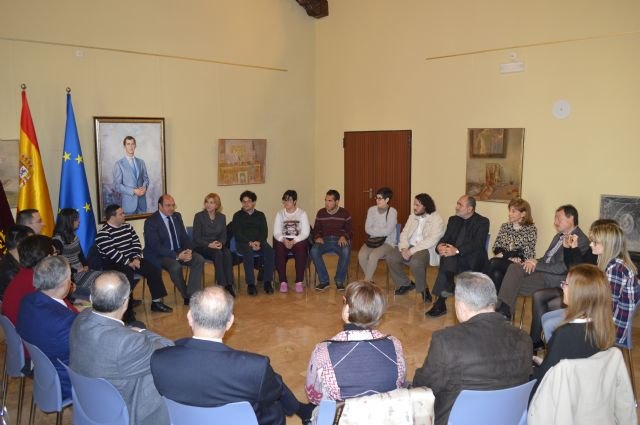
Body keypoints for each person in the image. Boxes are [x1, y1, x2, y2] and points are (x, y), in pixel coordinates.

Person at [150, 287, 312, 425]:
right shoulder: (254, 367)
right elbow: (273, 394)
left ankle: (300, 409)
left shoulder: (159, 359)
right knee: (274, 407)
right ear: (230, 322)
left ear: (189, 317)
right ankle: (300, 409)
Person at [413, 272, 532, 425]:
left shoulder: (447, 341)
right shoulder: (524, 339)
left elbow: (425, 387)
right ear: (493, 302)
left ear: (461, 306)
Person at [70, 271, 173, 425]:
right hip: (123, 411)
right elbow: (168, 350)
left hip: (90, 403)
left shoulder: (80, 318)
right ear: (125, 302)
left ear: (91, 298)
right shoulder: (127, 342)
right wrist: (141, 332)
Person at [305, 281, 406, 404]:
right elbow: (400, 384)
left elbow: (314, 397)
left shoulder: (323, 351)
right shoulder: (395, 345)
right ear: (379, 314)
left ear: (347, 309)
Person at [541, 221, 640, 346]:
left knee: (550, 324)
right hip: (599, 317)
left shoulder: (616, 270)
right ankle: (560, 357)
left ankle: (562, 359)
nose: (591, 244)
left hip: (608, 328)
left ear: (607, 245)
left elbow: (607, 308)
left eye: (595, 242)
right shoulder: (609, 263)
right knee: (546, 318)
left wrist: (579, 313)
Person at [496, 205, 589, 327]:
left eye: (558, 218)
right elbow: (547, 259)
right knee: (514, 268)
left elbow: (562, 267)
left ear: (570, 218)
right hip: (542, 273)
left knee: (510, 282)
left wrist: (537, 264)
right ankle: (504, 312)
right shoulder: (559, 236)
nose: (555, 222)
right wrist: (531, 261)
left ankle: (502, 312)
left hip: (556, 279)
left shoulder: (580, 239)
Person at [532, 264, 615, 394]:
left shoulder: (564, 334)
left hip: (562, 397)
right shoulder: (605, 329)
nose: (562, 287)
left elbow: (544, 380)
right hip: (588, 394)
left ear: (579, 293)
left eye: (566, 284)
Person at [17, 256, 78, 400]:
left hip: (42, 375)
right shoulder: (66, 322)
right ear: (65, 283)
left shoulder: (27, 301)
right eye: (70, 277)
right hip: (67, 384)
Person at [96, 204, 172, 315]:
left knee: (153, 269)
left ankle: (156, 303)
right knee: (126, 276)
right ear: (112, 217)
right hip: (114, 263)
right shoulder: (103, 234)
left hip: (132, 258)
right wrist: (128, 262)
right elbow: (112, 253)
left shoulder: (128, 227)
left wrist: (136, 257)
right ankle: (126, 311)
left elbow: (136, 243)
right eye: (121, 214)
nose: (124, 215)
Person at [426, 195, 490, 318]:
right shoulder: (453, 220)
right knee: (447, 258)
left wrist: (457, 250)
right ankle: (447, 289)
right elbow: (445, 238)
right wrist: (439, 247)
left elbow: (478, 244)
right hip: (454, 258)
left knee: (448, 261)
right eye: (457, 204)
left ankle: (441, 302)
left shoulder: (482, 222)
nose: (456, 207)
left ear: (470, 208)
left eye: (460, 205)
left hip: (472, 258)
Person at [144, 194, 204, 305]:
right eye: (168, 205)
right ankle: (187, 296)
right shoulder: (151, 222)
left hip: (179, 250)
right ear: (160, 206)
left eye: (173, 205)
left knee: (198, 259)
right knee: (175, 266)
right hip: (161, 255)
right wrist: (176, 256)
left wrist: (189, 250)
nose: (171, 208)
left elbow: (184, 237)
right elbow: (155, 246)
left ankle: (192, 293)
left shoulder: (177, 216)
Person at [387, 193, 445, 302]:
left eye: (417, 205)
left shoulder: (436, 219)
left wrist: (411, 251)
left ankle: (423, 290)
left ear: (425, 206)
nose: (414, 207)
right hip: (409, 246)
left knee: (416, 262)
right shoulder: (412, 216)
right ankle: (405, 284)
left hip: (425, 248)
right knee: (390, 256)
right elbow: (404, 233)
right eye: (414, 204)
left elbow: (431, 240)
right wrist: (404, 248)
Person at [486, 198, 537, 292]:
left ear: (523, 214)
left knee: (493, 262)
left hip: (520, 265)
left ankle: (481, 292)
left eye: (513, 211)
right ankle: (496, 304)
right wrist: (510, 255)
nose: (509, 214)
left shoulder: (530, 229)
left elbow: (527, 253)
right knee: (497, 274)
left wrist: (506, 255)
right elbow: (496, 246)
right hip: (504, 262)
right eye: (509, 210)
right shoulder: (505, 226)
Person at [2, 235, 54, 324]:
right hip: (29, 330)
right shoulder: (40, 281)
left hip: (18, 330)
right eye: (55, 254)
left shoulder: (23, 274)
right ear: (47, 258)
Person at [231, 190, 275, 296]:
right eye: (244, 202)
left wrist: (258, 242)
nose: (246, 204)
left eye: (249, 201)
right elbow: (237, 233)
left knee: (270, 251)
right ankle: (251, 284)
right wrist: (249, 243)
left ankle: (267, 281)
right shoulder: (237, 216)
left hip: (259, 242)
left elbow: (264, 231)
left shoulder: (260, 215)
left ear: (254, 202)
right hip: (243, 243)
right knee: (248, 252)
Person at [192, 193, 235, 296]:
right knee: (218, 254)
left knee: (228, 253)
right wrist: (209, 244)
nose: (208, 205)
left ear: (217, 205)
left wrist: (220, 243)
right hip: (202, 246)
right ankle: (222, 286)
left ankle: (229, 284)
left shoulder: (222, 217)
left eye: (211, 202)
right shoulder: (199, 216)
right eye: (207, 202)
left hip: (217, 245)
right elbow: (196, 237)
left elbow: (224, 235)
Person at [52, 208, 101, 299]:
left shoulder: (73, 235)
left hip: (81, 270)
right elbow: (58, 263)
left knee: (104, 278)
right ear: (69, 222)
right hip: (72, 275)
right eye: (76, 219)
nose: (79, 221)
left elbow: (80, 254)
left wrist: (86, 265)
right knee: (99, 283)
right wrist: (75, 270)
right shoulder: (57, 240)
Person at [310, 189, 353, 291]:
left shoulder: (345, 213)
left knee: (346, 251)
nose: (326, 203)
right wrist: (317, 237)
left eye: (330, 201)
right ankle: (324, 281)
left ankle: (339, 280)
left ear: (337, 201)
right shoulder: (321, 213)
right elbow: (316, 229)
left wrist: (344, 236)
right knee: (314, 251)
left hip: (340, 240)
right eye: (326, 200)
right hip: (324, 240)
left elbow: (350, 230)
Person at [273, 190, 310, 293]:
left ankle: (299, 281)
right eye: (284, 200)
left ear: (295, 201)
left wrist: (294, 241)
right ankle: (283, 281)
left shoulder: (302, 213)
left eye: (288, 200)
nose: (286, 203)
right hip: (284, 239)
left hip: (297, 240)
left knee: (302, 248)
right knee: (279, 248)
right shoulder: (280, 214)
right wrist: (283, 240)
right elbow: (276, 232)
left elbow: (306, 232)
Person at [358, 187, 398, 282]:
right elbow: (367, 229)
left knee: (373, 256)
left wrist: (375, 229)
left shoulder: (392, 212)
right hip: (373, 240)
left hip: (388, 242)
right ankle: (369, 279)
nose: (377, 200)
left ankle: (366, 282)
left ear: (387, 200)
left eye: (380, 198)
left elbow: (388, 232)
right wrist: (381, 230)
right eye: (376, 198)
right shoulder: (371, 210)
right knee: (361, 255)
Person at [112, 136, 150, 215]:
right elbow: (117, 185)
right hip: (128, 206)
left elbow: (146, 179)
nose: (130, 146)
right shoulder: (119, 164)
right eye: (128, 144)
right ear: (124, 146)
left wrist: (144, 187)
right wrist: (133, 191)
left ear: (135, 145)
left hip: (142, 204)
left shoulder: (141, 162)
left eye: (132, 144)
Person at [0, 224, 34, 299]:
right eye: (31, 242)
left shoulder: (15, 259)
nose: (34, 245)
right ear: (20, 244)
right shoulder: (10, 271)